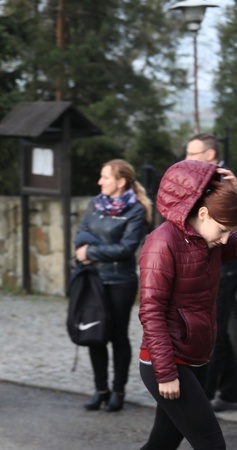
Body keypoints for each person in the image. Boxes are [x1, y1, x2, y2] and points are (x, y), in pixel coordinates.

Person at [110, 160, 237, 450]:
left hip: (197, 358)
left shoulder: (207, 243)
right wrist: (166, 373)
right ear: (204, 215)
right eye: (223, 231)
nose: (227, 241)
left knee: (161, 444)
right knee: (212, 447)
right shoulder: (162, 243)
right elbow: (151, 312)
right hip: (167, 364)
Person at [74, 159, 152, 412]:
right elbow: (81, 235)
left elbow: (126, 249)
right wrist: (90, 249)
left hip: (120, 281)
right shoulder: (95, 205)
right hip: (93, 279)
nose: (100, 182)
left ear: (121, 182)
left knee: (117, 336)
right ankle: (101, 390)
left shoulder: (136, 210)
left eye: (105, 177)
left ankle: (118, 391)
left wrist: (91, 251)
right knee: (95, 334)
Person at [185, 133, 237, 412]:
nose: (186, 160)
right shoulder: (201, 183)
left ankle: (206, 397)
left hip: (224, 268)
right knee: (218, 330)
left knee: (214, 332)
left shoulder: (223, 185)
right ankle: (231, 393)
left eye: (192, 155)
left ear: (209, 155)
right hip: (215, 267)